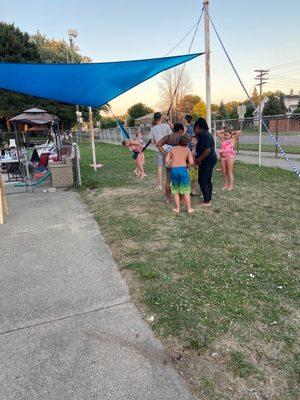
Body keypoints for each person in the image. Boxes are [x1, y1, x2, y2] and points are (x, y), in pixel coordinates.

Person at [156, 122, 185, 203]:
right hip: (179, 161)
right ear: (180, 130)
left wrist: (165, 153)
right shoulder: (181, 138)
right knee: (180, 179)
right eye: (182, 131)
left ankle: (168, 199)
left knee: (168, 180)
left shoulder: (168, 137)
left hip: (169, 160)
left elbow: (158, 144)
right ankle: (181, 198)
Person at [165, 134, 194, 213]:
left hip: (174, 170)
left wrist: (171, 165)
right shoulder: (187, 149)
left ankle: (177, 208)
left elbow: (167, 160)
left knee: (175, 190)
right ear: (187, 143)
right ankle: (189, 208)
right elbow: (191, 162)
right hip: (183, 169)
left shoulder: (173, 149)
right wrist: (187, 166)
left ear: (178, 141)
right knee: (186, 190)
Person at [194, 117, 217, 207]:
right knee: (207, 180)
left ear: (198, 127)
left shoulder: (204, 135)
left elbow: (207, 150)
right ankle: (208, 198)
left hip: (208, 160)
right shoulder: (206, 134)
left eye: (195, 128)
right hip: (211, 159)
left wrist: (198, 160)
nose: (195, 131)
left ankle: (207, 201)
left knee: (202, 180)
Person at [149, 112, 172, 189]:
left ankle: (159, 185)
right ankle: (171, 183)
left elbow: (152, 141)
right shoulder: (166, 126)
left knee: (160, 167)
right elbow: (170, 136)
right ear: (161, 118)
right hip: (168, 148)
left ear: (155, 119)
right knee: (169, 167)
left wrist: (157, 142)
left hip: (159, 149)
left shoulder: (153, 129)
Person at [216, 126, 241, 190]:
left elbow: (239, 132)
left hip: (230, 157)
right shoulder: (223, 139)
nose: (225, 136)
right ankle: (225, 185)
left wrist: (231, 132)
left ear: (230, 135)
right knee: (224, 172)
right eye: (225, 135)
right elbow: (217, 132)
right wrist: (224, 131)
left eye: (227, 135)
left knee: (229, 172)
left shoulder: (233, 139)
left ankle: (231, 186)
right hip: (222, 158)